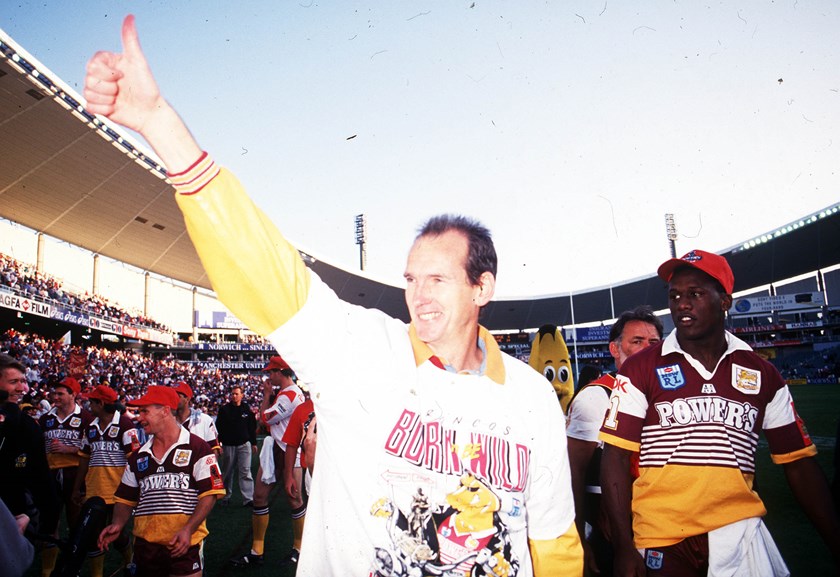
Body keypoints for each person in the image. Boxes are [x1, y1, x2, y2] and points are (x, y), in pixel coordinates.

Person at [83, 16, 582, 576]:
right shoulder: (363, 352)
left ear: (482, 287)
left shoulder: (532, 398)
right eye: (411, 278)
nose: (418, 294)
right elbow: (266, 269)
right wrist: (158, 122)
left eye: (438, 279)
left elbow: (554, 541)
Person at [600, 249, 840, 576]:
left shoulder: (762, 373)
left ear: (725, 301)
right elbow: (613, 456)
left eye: (695, 294)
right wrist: (624, 548)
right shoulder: (640, 368)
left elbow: (799, 463)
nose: (682, 303)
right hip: (661, 536)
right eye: (675, 295)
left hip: (739, 533)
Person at [566, 306, 663, 576]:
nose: (647, 348)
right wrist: (579, 541)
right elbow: (574, 474)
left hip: (665, 527)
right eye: (637, 341)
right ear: (614, 349)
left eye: (653, 343)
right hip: (614, 533)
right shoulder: (596, 397)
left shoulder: (670, 393)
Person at [98, 385, 225, 577]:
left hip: (184, 544)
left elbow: (210, 494)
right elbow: (126, 498)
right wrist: (118, 523)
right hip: (145, 548)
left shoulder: (198, 448)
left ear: (165, 410)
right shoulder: (138, 456)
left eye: (144, 411)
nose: (139, 418)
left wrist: (188, 529)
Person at [230, 356, 305, 567]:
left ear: (280, 372)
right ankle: (257, 550)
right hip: (276, 450)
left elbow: (264, 419)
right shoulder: (286, 393)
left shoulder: (289, 395)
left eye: (271, 372)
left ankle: (299, 548)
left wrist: (265, 396)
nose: (268, 376)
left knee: (294, 500)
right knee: (260, 496)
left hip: (289, 451)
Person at [72, 385, 141, 577]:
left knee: (117, 536)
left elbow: (134, 459)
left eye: (91, 402)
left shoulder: (126, 426)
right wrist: (77, 488)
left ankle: (129, 559)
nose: (88, 405)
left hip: (119, 492)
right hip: (95, 491)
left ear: (100, 404)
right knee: (94, 535)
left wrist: (137, 489)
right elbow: (84, 458)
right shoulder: (90, 427)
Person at [0, 353, 58, 544]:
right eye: (13, 381)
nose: (22, 388)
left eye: (23, 381)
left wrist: (29, 515)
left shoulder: (28, 426)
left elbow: (40, 477)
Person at [39, 375, 94, 577]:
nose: (56, 397)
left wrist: (68, 448)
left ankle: (73, 566)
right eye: (54, 393)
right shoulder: (46, 419)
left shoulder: (86, 418)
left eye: (61, 393)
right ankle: (47, 570)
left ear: (73, 395)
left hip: (74, 473)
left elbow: (91, 449)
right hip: (51, 474)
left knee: (75, 521)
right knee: (50, 521)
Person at [215, 384, 257, 506]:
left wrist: (253, 442)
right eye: (232, 394)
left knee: (245, 471)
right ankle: (226, 497)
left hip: (244, 444)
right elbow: (219, 428)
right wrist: (220, 444)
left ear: (242, 395)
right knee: (227, 471)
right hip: (229, 445)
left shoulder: (246, 409)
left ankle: (248, 498)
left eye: (236, 394)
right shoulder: (224, 410)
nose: (234, 396)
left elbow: (251, 427)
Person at [174, 381, 221, 455]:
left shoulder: (204, 420)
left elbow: (214, 449)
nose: (173, 398)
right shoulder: (166, 421)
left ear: (187, 399)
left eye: (177, 396)